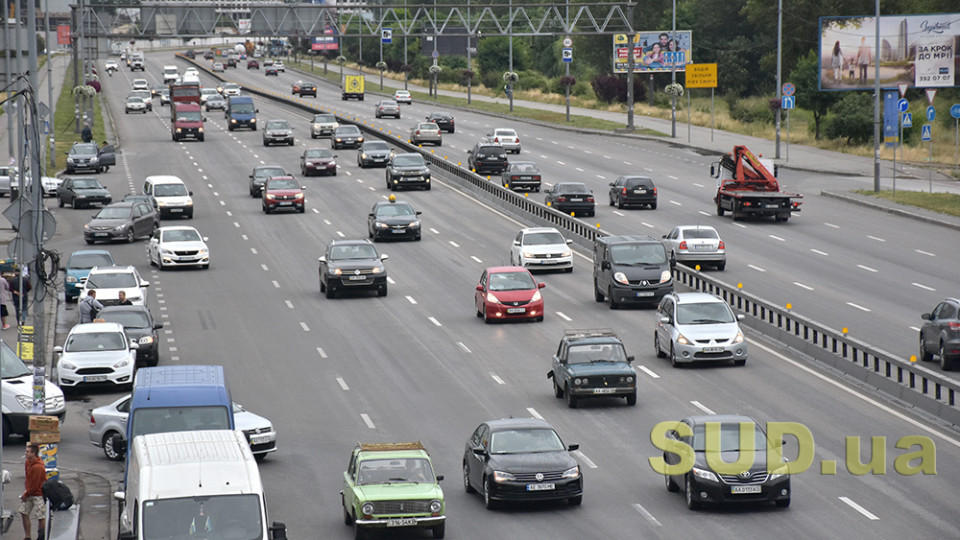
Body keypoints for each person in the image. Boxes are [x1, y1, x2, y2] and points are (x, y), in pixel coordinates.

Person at [20, 443, 47, 540]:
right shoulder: (28, 462)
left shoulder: (38, 467)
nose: (25, 453)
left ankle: (41, 536)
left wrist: (25, 494)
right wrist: (27, 490)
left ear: (34, 453)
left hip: (38, 494)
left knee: (40, 516)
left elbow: (35, 485)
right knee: (24, 513)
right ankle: (28, 537)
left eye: (27, 452)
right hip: (29, 492)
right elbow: (28, 478)